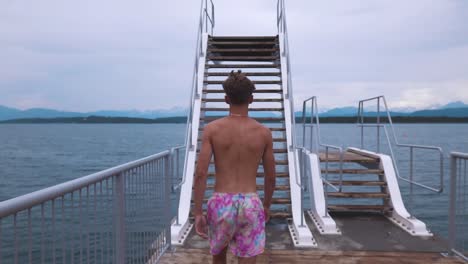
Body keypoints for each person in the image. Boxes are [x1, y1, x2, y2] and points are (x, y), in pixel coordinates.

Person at [193, 70, 277, 264]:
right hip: (250, 203)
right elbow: (271, 177)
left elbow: (201, 173)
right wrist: (266, 205)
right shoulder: (264, 133)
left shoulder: (212, 130)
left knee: (218, 259)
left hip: (221, 203)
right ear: (251, 99)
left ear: (226, 99)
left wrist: (198, 212)